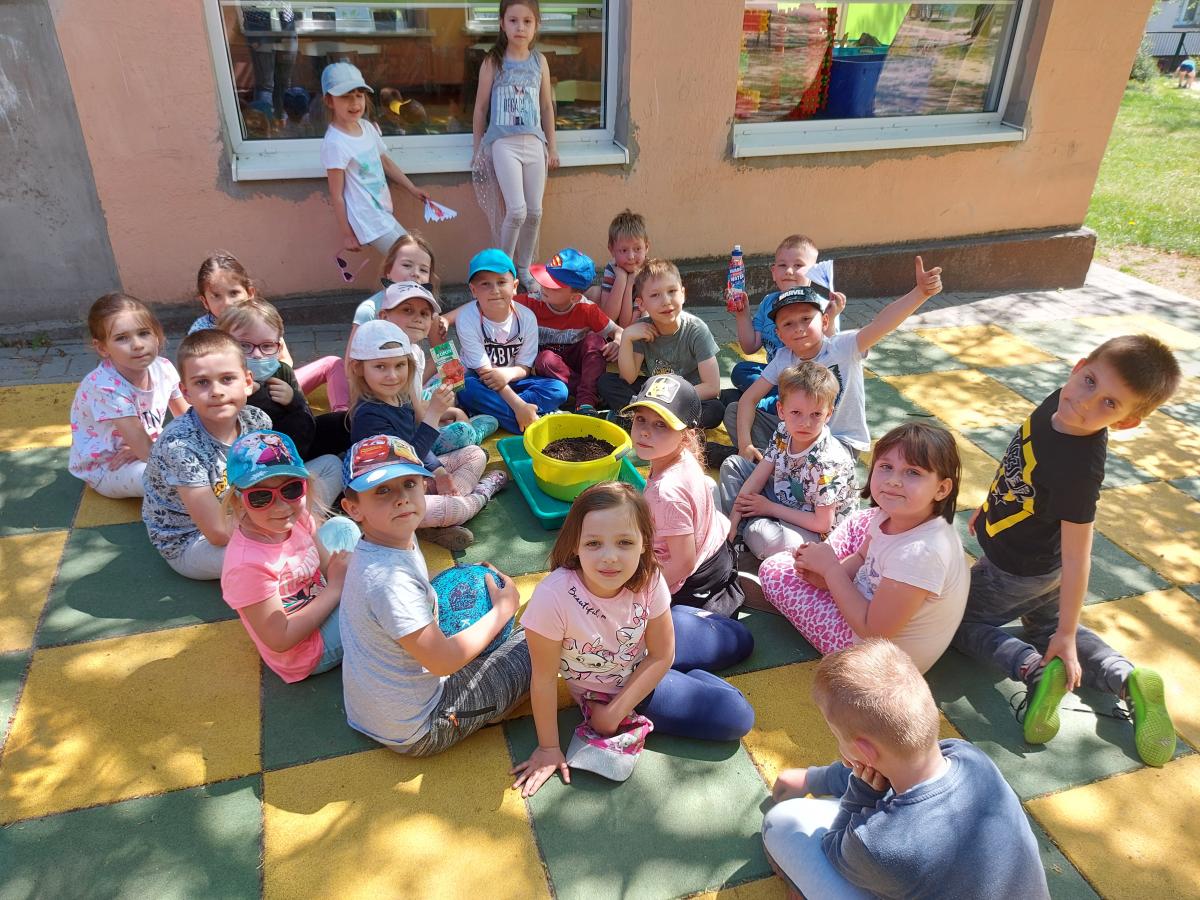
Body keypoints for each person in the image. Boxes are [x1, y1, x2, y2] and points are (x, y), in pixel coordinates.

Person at [953, 335, 1183, 767]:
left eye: (1109, 403)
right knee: (1048, 628)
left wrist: (1067, 632)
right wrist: (989, 506)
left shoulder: (1079, 472)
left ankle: (1033, 668)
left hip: (1018, 570)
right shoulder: (1060, 399)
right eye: (1090, 381)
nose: (1085, 401)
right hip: (1038, 565)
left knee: (955, 621)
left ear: (1125, 422)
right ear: (1078, 368)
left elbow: (1079, 557)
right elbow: (1020, 466)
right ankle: (1125, 677)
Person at [511, 482, 755, 797]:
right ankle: (689, 671)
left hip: (653, 644)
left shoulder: (649, 575)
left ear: (643, 544)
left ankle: (683, 625)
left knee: (742, 640)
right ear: (575, 545)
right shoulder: (553, 598)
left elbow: (662, 654)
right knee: (738, 717)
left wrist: (615, 714)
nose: (610, 557)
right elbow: (543, 679)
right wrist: (549, 747)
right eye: (594, 543)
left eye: (624, 542)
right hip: (623, 683)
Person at [764, 639, 1049, 900]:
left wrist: (861, 792)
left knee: (781, 822)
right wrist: (815, 779)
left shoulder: (874, 843)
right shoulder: (969, 756)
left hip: (871, 849)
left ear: (865, 752)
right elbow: (878, 768)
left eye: (837, 736)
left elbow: (835, 848)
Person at [338, 435, 531, 756]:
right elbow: (443, 662)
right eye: (382, 490)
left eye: (409, 484)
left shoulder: (385, 541)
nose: (402, 499)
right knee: (540, 638)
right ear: (353, 508)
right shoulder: (390, 583)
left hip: (377, 707)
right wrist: (503, 609)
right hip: (421, 726)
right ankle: (495, 700)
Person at [759, 422, 967, 674]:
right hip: (874, 616)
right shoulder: (892, 514)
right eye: (886, 467)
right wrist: (825, 579)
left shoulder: (918, 554)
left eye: (913, 472)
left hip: (874, 662)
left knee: (774, 570)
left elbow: (872, 632)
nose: (894, 481)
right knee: (862, 520)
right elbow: (860, 556)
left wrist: (831, 570)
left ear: (942, 488)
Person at [729, 256, 944, 461]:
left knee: (800, 455)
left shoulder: (843, 346)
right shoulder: (784, 357)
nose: (799, 328)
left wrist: (920, 293)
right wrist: (745, 445)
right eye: (788, 324)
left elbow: (881, 324)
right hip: (799, 436)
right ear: (779, 334)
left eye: (806, 319)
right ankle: (767, 463)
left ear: (824, 321)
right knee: (734, 411)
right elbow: (749, 399)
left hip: (839, 443)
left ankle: (775, 468)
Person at [347, 319, 506, 551]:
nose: (392, 375)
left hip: (413, 482)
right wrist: (433, 414)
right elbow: (406, 461)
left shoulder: (399, 397)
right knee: (456, 508)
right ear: (359, 368)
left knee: (475, 454)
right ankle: (480, 494)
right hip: (390, 502)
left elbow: (416, 445)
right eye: (380, 367)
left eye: (399, 365)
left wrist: (440, 473)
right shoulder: (368, 416)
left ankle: (432, 520)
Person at [220, 430, 348, 683]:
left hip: (319, 600)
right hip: (307, 650)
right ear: (237, 502)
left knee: (342, 528)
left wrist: (339, 577)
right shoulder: (247, 566)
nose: (281, 506)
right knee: (375, 600)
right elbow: (280, 639)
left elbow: (325, 565)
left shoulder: (296, 518)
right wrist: (337, 588)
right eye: (260, 497)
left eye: (291, 490)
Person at [142, 329, 268, 580]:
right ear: (186, 392)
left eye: (227, 378)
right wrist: (281, 524)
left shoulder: (257, 420)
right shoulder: (180, 447)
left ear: (247, 382)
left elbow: (270, 479)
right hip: (192, 540)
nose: (216, 391)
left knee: (328, 466)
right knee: (263, 556)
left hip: (243, 512)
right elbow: (218, 533)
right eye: (202, 382)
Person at [623, 374, 744, 617]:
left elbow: (683, 564)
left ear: (686, 434)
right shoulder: (682, 456)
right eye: (640, 419)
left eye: (661, 425)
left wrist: (640, 594)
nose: (645, 432)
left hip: (693, 582)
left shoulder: (665, 493)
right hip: (717, 553)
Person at [721, 361, 858, 559]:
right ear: (781, 410)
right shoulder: (784, 430)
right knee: (733, 465)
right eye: (796, 413)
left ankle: (754, 534)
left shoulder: (827, 462)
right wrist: (733, 521)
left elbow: (823, 524)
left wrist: (769, 508)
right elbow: (757, 477)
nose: (805, 423)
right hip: (787, 501)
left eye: (816, 414)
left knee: (764, 536)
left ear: (828, 414)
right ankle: (738, 537)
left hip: (818, 533)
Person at [471, 0, 558, 290]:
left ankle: (525, 269)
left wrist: (552, 147)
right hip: (503, 144)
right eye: (513, 20)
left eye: (527, 21)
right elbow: (480, 108)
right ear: (502, 23)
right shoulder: (493, 61)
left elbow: (546, 107)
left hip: (534, 143)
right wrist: (477, 148)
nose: (520, 27)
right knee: (517, 210)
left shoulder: (539, 62)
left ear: (536, 25)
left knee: (535, 212)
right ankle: (504, 271)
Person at [193, 252, 348, 411]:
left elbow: (285, 360)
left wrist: (283, 388)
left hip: (276, 388)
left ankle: (342, 414)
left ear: (250, 293)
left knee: (332, 363)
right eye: (216, 296)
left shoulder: (261, 318)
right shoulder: (202, 334)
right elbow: (205, 380)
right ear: (205, 301)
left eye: (234, 293)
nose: (227, 302)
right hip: (235, 399)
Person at [69, 293, 189, 498]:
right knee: (174, 478)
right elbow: (146, 452)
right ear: (102, 348)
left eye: (144, 333)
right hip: (110, 467)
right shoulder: (105, 387)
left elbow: (188, 419)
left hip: (150, 448)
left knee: (204, 452)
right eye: (122, 338)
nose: (137, 344)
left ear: (157, 336)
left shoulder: (164, 368)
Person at [597, 259, 725, 430]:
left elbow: (712, 387)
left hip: (685, 397)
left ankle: (640, 418)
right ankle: (658, 422)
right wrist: (626, 337)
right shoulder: (643, 329)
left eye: (672, 291)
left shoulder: (696, 330)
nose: (666, 301)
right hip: (654, 392)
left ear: (683, 294)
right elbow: (628, 378)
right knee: (606, 382)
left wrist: (666, 400)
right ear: (641, 303)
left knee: (715, 410)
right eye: (655, 295)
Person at [320, 61, 429, 260]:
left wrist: (412, 188)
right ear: (329, 101)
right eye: (345, 96)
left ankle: (394, 283)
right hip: (367, 219)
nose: (354, 103)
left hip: (382, 212)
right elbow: (336, 195)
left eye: (359, 95)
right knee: (411, 261)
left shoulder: (367, 127)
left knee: (411, 260)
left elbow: (385, 162)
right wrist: (347, 234)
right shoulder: (335, 142)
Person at [217, 299, 350, 459]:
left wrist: (294, 400)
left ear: (278, 347)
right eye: (244, 345)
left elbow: (307, 419)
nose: (257, 354)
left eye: (267, 346)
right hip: (255, 456)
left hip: (296, 445)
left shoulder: (282, 371)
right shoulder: (221, 379)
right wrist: (259, 395)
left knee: (343, 422)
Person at [722, 233, 839, 414]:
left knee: (811, 393)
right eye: (782, 265)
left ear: (814, 271)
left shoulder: (823, 307)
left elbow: (834, 350)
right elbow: (750, 347)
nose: (789, 271)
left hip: (810, 383)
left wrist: (832, 317)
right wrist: (742, 314)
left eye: (798, 265)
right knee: (741, 370)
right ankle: (774, 403)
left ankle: (766, 404)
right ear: (773, 272)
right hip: (776, 376)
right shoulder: (768, 302)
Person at [376, 280, 498, 452]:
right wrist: (452, 413)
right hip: (404, 438)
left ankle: (458, 416)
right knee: (464, 431)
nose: (418, 318)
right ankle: (472, 433)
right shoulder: (390, 355)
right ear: (384, 316)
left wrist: (445, 401)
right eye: (407, 310)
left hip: (414, 409)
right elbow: (415, 416)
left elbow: (443, 378)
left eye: (424, 313)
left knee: (451, 382)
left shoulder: (414, 350)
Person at [456, 248, 569, 433]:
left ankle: (502, 414)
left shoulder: (527, 317)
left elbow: (524, 368)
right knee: (464, 388)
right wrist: (519, 406)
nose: (495, 290)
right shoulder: (466, 318)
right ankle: (532, 421)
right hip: (480, 380)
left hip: (513, 380)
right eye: (485, 284)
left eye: (501, 282)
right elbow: (485, 373)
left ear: (515, 286)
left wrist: (507, 376)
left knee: (558, 389)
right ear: (473, 290)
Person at [520, 247, 621, 415]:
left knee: (596, 340)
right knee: (544, 359)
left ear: (575, 297)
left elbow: (618, 331)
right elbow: (502, 304)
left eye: (553, 286)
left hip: (578, 361)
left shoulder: (587, 309)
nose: (544, 286)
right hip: (552, 368)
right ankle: (591, 394)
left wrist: (617, 341)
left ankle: (585, 403)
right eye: (545, 279)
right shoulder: (532, 302)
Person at [595, 209, 650, 327]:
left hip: (638, 323)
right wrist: (621, 279)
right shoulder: (613, 268)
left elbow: (628, 325)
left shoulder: (650, 271)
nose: (631, 257)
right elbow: (608, 317)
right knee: (593, 293)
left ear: (646, 247)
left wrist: (629, 284)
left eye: (637, 249)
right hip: (619, 320)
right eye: (624, 250)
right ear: (612, 250)